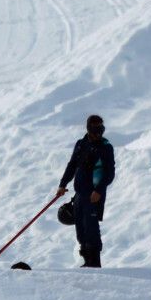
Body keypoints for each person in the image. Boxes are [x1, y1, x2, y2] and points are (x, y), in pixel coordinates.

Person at [55, 115, 116, 268]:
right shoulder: (81, 144)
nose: (98, 132)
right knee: (81, 229)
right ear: (89, 128)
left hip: (94, 195)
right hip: (80, 194)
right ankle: (87, 261)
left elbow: (109, 173)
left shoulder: (106, 147)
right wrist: (62, 184)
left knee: (91, 228)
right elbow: (72, 165)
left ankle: (94, 263)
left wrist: (99, 190)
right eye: (94, 128)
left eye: (100, 128)